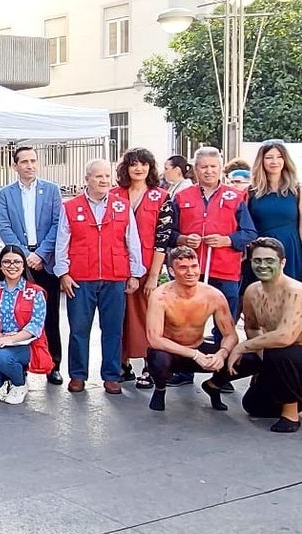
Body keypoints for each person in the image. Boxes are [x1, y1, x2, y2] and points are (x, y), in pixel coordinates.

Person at [209, 238, 302, 431]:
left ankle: (291, 416)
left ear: (282, 262)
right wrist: (263, 362)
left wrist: (242, 347)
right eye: (257, 260)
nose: (263, 265)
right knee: (254, 405)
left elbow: (285, 337)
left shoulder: (296, 292)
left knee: (277, 351)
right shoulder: (252, 291)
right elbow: (252, 328)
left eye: (269, 260)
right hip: (290, 358)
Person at [54, 159, 145, 395]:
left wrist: (135, 273)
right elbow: (62, 242)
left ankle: (112, 376)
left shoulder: (122, 205)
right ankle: (77, 375)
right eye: (98, 176)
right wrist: (63, 273)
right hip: (80, 278)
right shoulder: (70, 207)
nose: (104, 180)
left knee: (113, 330)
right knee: (78, 329)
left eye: (107, 176)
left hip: (115, 277)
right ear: (87, 179)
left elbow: (132, 241)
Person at [0, 147, 67, 384]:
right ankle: (20, 364)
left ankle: (53, 364)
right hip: (19, 262)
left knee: (50, 315)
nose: (30, 165)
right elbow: (4, 227)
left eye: (33, 161)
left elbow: (58, 224)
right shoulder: (6, 193)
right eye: (24, 161)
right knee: (18, 314)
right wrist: (25, 256)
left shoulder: (52, 190)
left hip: (46, 261)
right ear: (14, 166)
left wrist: (41, 254)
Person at [174, 147, 257, 341]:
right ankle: (186, 360)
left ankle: (224, 358)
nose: (208, 171)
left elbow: (250, 233)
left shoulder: (235, 197)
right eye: (204, 167)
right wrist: (183, 239)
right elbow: (169, 233)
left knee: (225, 323)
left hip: (225, 270)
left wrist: (227, 240)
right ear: (196, 169)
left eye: (213, 166)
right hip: (190, 270)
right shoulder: (182, 197)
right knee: (186, 322)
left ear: (220, 168)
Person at [144, 248, 239, 412]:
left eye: (194, 266)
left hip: (198, 346)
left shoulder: (214, 295)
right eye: (183, 268)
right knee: (157, 358)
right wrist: (195, 355)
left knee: (246, 359)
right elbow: (154, 339)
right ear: (171, 271)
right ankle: (160, 389)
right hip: (172, 352)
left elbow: (230, 335)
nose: (190, 272)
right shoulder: (160, 297)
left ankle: (213, 386)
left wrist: (221, 354)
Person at [113, 148, 176, 389]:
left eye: (144, 164)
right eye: (133, 164)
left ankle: (150, 367)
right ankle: (123, 364)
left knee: (148, 319)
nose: (138, 169)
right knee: (119, 318)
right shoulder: (114, 195)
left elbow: (163, 240)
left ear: (150, 168)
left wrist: (153, 277)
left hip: (149, 267)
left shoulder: (161, 197)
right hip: (117, 267)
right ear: (126, 168)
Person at [0, 246, 53, 405]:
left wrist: (12, 339)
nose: (12, 266)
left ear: (24, 266)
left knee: (3, 358)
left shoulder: (35, 292)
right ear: (0, 266)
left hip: (26, 345)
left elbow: (36, 325)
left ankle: (19, 384)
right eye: (7, 262)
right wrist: (1, 338)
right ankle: (10, 373)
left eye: (17, 262)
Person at [245, 141, 302, 287]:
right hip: (260, 253)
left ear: (285, 160)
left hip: (292, 251)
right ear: (261, 161)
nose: (275, 161)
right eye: (269, 157)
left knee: (292, 296)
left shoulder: (298, 191)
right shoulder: (250, 192)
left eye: (279, 157)